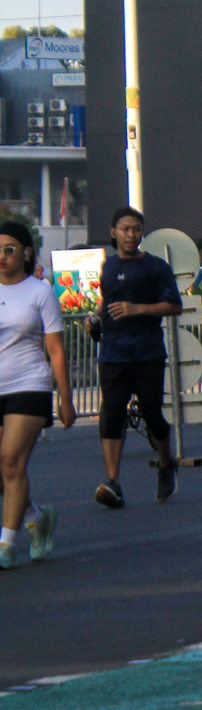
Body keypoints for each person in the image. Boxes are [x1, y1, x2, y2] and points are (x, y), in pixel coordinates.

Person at [92, 205, 183, 507]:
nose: (131, 234)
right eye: (125, 229)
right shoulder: (108, 266)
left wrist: (137, 309)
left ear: (143, 233)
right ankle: (113, 483)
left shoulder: (155, 267)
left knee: (152, 414)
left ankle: (166, 463)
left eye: (136, 229)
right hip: (112, 352)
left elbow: (174, 305)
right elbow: (108, 300)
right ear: (113, 232)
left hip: (147, 352)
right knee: (111, 415)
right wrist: (94, 317)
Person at [0, 219, 73, 570]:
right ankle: (35, 517)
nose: (2, 256)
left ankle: (5, 544)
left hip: (29, 384)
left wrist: (66, 398)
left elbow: (55, 349)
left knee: (11, 461)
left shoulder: (40, 291)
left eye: (8, 249)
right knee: (2, 472)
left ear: (26, 253)